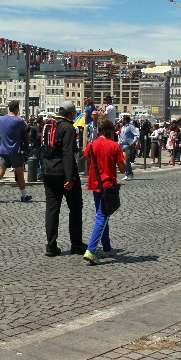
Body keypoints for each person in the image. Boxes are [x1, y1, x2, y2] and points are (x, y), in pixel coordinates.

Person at [42, 101, 86, 257]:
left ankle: (51, 245)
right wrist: (70, 178)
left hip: (48, 172)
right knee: (75, 208)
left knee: (52, 209)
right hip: (63, 172)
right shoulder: (68, 128)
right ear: (72, 114)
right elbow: (68, 153)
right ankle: (76, 243)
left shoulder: (49, 125)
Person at [83, 117, 126, 265]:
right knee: (102, 216)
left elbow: (89, 164)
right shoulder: (114, 146)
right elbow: (123, 169)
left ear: (99, 130)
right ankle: (91, 249)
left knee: (103, 215)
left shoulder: (91, 145)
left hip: (95, 184)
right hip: (109, 185)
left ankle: (107, 248)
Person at [0, 100, 32, 203]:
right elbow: (26, 128)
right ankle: (23, 195)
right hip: (14, 150)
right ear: (17, 109)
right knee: (20, 173)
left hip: (3, 150)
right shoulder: (18, 120)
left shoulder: (1, 119)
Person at [118, 114, 139, 180]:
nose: (122, 120)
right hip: (122, 145)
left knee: (126, 160)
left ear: (125, 120)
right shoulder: (123, 127)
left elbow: (137, 135)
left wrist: (133, 142)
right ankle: (127, 173)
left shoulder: (130, 126)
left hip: (128, 146)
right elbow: (121, 137)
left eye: (123, 119)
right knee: (124, 160)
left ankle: (130, 173)